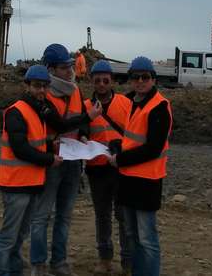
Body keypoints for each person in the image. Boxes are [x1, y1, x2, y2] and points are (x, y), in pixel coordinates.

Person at [30, 43, 100, 276]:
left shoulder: (75, 90)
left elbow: (80, 119)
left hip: (73, 161)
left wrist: (83, 134)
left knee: (65, 215)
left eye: (70, 66)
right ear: (50, 69)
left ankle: (58, 263)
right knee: (42, 215)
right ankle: (38, 264)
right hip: (52, 162)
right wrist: (87, 118)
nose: (70, 70)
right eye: (63, 67)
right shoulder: (44, 94)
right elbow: (59, 124)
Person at [0, 65, 63, 276]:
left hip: (31, 183)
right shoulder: (17, 111)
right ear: (27, 86)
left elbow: (33, 143)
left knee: (20, 234)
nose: (41, 90)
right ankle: (0, 272)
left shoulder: (37, 110)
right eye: (37, 86)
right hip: (16, 185)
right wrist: (50, 159)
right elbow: (20, 148)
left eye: (44, 86)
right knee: (9, 236)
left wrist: (49, 146)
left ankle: (14, 271)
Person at [107, 56, 172, 276]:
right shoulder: (133, 103)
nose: (140, 81)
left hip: (147, 182)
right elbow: (134, 139)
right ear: (130, 79)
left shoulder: (159, 107)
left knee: (146, 239)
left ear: (153, 79)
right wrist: (118, 146)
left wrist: (120, 160)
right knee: (132, 235)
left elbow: (153, 148)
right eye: (136, 77)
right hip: (128, 179)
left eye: (145, 77)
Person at [84, 60, 133, 275]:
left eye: (105, 80)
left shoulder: (125, 103)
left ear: (112, 81)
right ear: (92, 82)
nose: (102, 84)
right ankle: (104, 258)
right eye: (98, 81)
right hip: (97, 169)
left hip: (121, 168)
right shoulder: (85, 106)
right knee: (102, 215)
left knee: (123, 216)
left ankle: (128, 262)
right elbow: (80, 131)